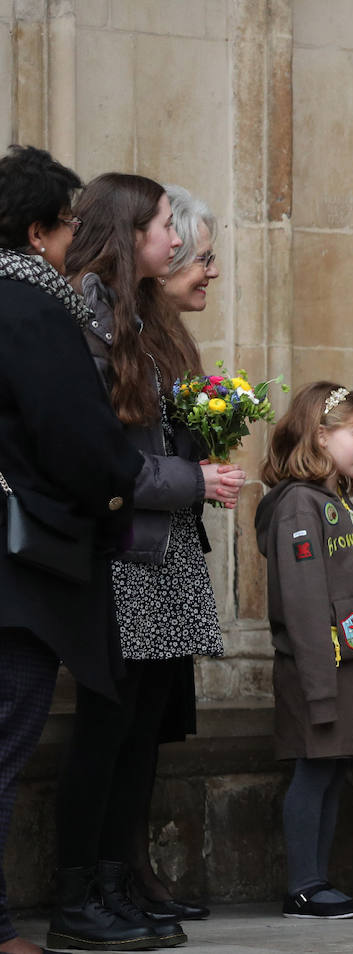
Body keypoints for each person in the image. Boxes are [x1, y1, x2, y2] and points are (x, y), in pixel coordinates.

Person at [51, 172, 241, 952]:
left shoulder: (137, 321)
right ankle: (83, 889)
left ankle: (117, 878)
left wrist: (207, 429)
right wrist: (192, 475)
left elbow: (152, 435)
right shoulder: (87, 319)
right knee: (105, 731)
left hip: (158, 549)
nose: (180, 241)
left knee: (137, 733)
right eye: (167, 225)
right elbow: (101, 455)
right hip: (123, 553)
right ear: (131, 235)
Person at [0, 146, 144, 954]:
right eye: (64, 228)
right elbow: (77, 440)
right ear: (35, 232)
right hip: (18, 569)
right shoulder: (30, 308)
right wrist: (121, 484)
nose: (70, 246)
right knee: (7, 736)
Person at [119, 184, 223, 924]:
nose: (211, 272)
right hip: (137, 558)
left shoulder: (169, 339)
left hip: (171, 550)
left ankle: (134, 872)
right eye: (204, 257)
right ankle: (116, 874)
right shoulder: (127, 334)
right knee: (124, 724)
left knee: (149, 726)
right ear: (167, 251)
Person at [256, 382, 353, 920]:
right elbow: (303, 602)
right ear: (320, 436)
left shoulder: (335, 503)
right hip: (319, 673)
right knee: (314, 773)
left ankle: (317, 881)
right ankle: (303, 885)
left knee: (334, 773)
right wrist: (319, 687)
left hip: (348, 671)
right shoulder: (298, 504)